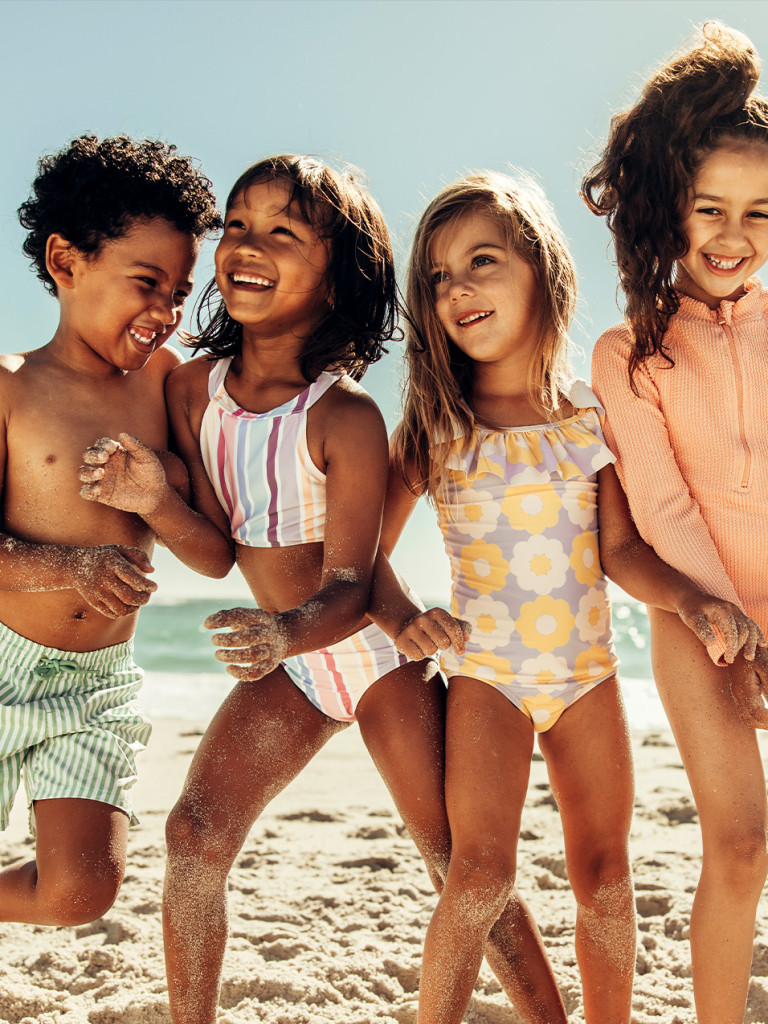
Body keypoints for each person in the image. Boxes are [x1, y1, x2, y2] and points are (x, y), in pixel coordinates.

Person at [82, 154, 555, 1024]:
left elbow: (351, 585)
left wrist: (282, 634)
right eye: (237, 224)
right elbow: (216, 553)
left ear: (337, 276)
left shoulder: (345, 417)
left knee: (458, 865)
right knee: (192, 836)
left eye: (283, 233)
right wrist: (154, 500)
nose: (248, 244)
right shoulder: (191, 390)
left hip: (369, 659)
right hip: (294, 666)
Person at [378, 170, 766, 1024]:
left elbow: (621, 550)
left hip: (588, 672)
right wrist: (404, 617)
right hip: (488, 675)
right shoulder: (436, 427)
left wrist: (691, 601)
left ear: (543, 273)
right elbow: (367, 554)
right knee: (480, 875)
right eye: (439, 276)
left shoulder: (585, 417)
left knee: (607, 876)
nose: (458, 287)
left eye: (482, 261)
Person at [583, 21, 768, 1024]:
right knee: (741, 845)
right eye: (711, 209)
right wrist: (732, 627)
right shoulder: (629, 353)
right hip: (695, 616)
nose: (736, 234)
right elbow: (661, 507)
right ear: (668, 208)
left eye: (760, 212)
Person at [0, 134, 224, 928]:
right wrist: (72, 566)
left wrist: (157, 501)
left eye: (180, 290)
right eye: (147, 282)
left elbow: (214, 554)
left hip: (96, 683)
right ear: (66, 261)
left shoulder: (168, 386)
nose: (166, 311)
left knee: (79, 891)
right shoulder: (11, 387)